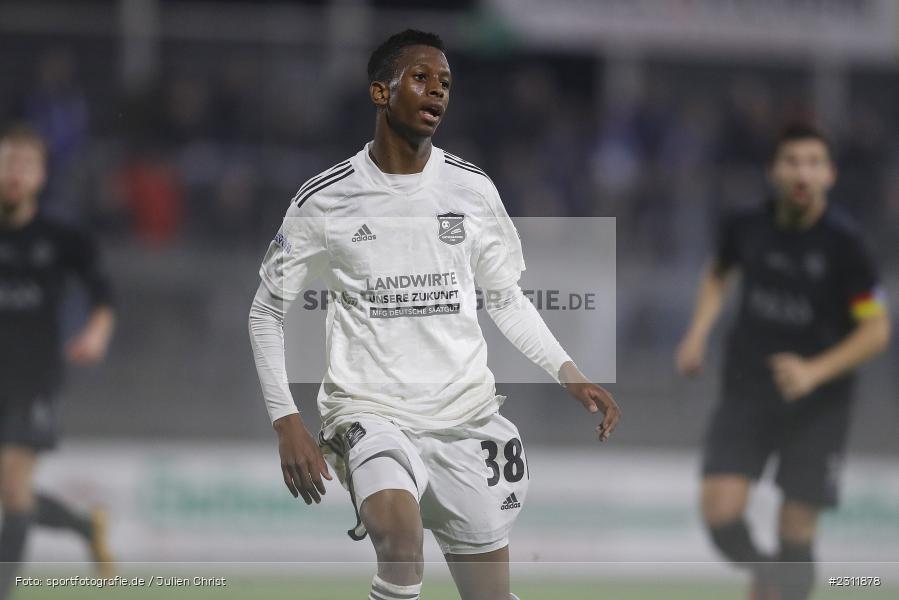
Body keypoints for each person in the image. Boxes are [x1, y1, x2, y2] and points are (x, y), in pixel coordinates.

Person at [249, 29, 620, 600]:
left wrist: (568, 371)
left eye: (445, 83)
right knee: (401, 546)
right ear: (380, 91)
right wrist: (285, 419)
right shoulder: (326, 199)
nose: (436, 93)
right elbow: (265, 312)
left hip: (464, 417)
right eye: (420, 78)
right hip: (369, 412)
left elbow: (504, 297)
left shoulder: (471, 190)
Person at [675, 123, 891, 600]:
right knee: (720, 515)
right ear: (773, 170)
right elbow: (718, 273)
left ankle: (784, 584)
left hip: (819, 403)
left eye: (814, 163)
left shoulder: (847, 248)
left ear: (830, 175)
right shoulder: (746, 226)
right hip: (748, 390)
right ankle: (774, 578)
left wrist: (814, 371)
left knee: (796, 530)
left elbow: (876, 330)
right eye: (792, 161)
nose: (803, 172)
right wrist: (697, 333)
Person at [0, 124, 116, 598]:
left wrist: (96, 332)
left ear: (41, 176)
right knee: (16, 496)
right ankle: (86, 527)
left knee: (12, 491)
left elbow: (103, 293)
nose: (16, 173)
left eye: (26, 165)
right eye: (8, 162)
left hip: (33, 379)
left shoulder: (60, 237)